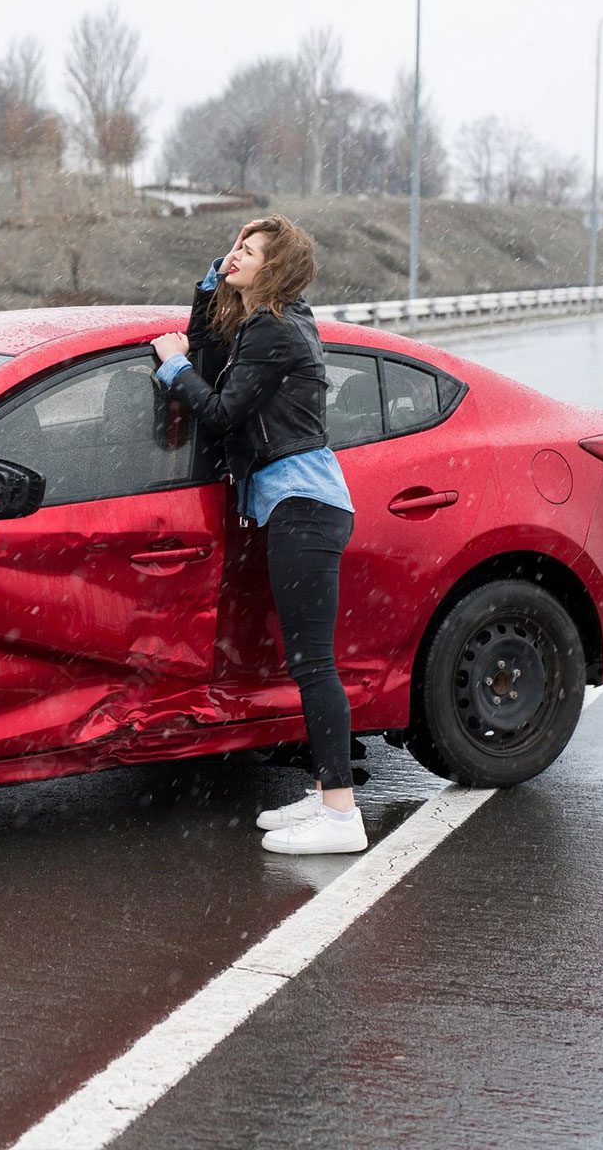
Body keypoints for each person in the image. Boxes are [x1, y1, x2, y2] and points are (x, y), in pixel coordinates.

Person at [149, 214, 364, 855]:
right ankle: (328, 795)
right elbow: (212, 350)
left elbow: (216, 411)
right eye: (236, 245)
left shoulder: (272, 330)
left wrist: (170, 369)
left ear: (274, 269)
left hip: (304, 506)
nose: (235, 254)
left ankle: (341, 815)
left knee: (314, 663)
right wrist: (209, 283)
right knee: (306, 661)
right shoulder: (276, 320)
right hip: (300, 504)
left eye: (250, 250)